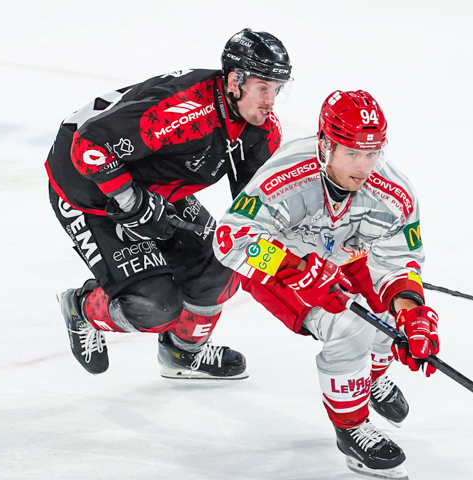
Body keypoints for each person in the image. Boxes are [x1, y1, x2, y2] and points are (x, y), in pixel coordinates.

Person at [212, 90, 440, 480]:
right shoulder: (287, 177)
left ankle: (369, 377)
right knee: (350, 327)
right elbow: (230, 240)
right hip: (276, 264)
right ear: (325, 145)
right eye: (352, 153)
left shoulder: (394, 194)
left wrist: (412, 312)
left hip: (338, 257)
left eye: (372, 153)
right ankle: (352, 429)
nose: (364, 166)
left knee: (387, 315)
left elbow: (398, 261)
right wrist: (294, 268)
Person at [49, 29, 292, 379]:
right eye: (263, 88)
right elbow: (88, 146)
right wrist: (131, 201)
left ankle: (182, 352)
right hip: (85, 186)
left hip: (150, 186)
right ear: (235, 81)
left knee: (223, 262)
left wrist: (290, 259)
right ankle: (81, 308)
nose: (271, 100)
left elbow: (253, 214)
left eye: (278, 89)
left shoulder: (260, 129)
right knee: (154, 307)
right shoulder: (183, 114)